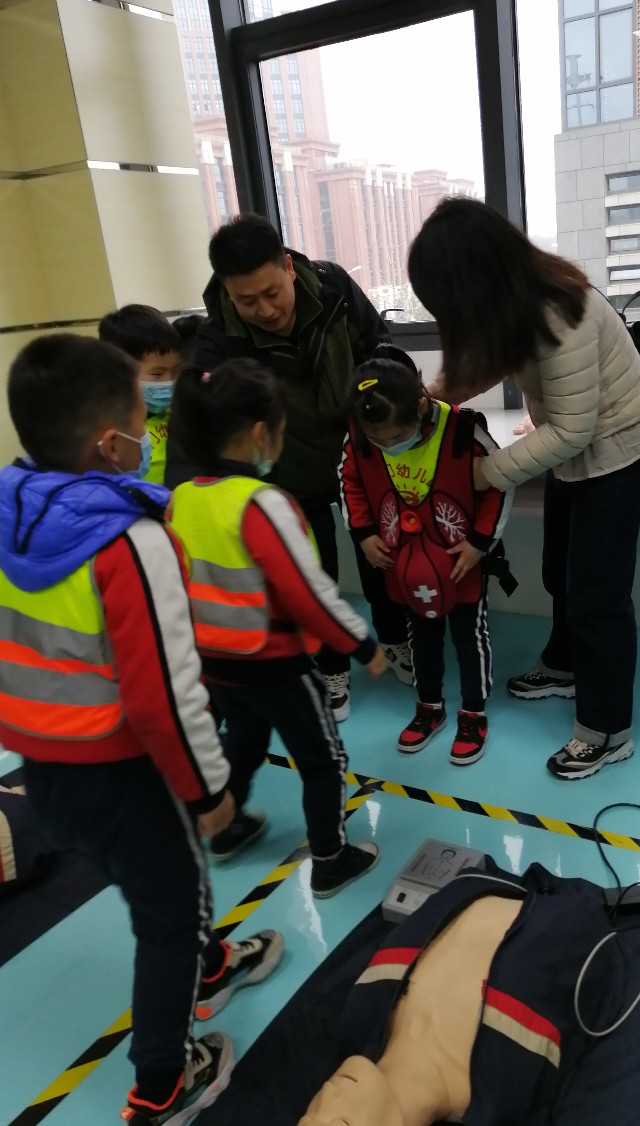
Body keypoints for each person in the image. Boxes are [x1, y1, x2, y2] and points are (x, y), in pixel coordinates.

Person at [0, 336, 282, 1124]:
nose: (149, 433)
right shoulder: (132, 542)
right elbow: (164, 691)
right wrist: (210, 789)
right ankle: (163, 1082)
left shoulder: (8, 516)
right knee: (170, 913)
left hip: (41, 770)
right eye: (139, 418)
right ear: (110, 444)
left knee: (157, 891)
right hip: (125, 772)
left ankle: (212, 964)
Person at [407, 198, 640, 781]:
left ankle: (607, 729)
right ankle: (565, 664)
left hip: (618, 449)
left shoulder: (560, 315)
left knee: (598, 595)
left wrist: (485, 474)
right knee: (560, 569)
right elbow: (491, 363)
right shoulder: (514, 304)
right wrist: (434, 398)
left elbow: (573, 430)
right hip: (577, 448)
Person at [167, 357, 384, 888]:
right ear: (262, 433)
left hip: (216, 664)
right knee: (323, 760)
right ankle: (331, 860)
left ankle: (227, 827)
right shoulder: (262, 503)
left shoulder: (181, 499)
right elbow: (307, 591)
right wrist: (360, 643)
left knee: (243, 741)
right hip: (277, 665)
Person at [189, 213, 411, 720]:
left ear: (288, 267)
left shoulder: (334, 288)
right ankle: (331, 668)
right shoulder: (218, 339)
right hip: (287, 471)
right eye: (247, 301)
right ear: (227, 293)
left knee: (380, 556)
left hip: (359, 457)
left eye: (272, 292)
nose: (265, 310)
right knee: (313, 571)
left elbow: (380, 345)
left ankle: (395, 639)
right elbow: (204, 417)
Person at [340, 346, 512, 766]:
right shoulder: (361, 433)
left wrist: (479, 543)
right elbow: (350, 482)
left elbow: (499, 484)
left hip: (461, 560)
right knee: (422, 638)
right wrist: (363, 534)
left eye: (396, 437)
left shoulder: (464, 430)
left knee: (469, 638)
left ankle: (473, 713)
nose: (388, 446)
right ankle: (430, 706)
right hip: (405, 565)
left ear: (420, 406)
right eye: (379, 441)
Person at [98, 304, 181, 486]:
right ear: (121, 372)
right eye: (157, 374)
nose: (169, 382)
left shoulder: (177, 414)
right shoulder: (112, 427)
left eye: (175, 372)